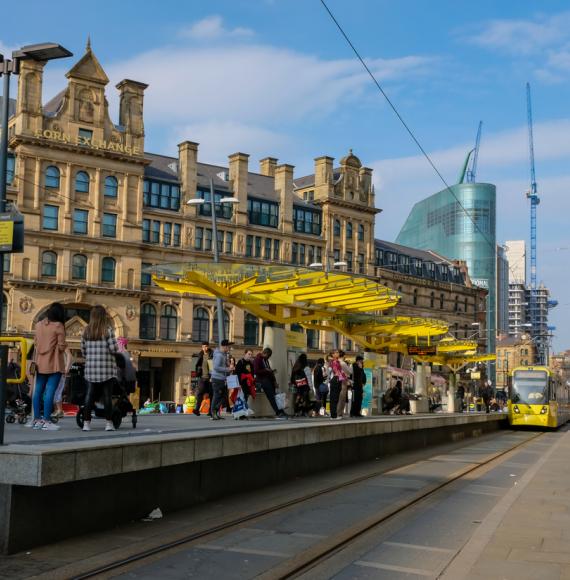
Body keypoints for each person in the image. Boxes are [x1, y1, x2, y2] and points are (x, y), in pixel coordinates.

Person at [31, 302, 70, 430]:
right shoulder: (58, 326)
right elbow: (62, 346)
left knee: (38, 391)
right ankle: (47, 420)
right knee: (50, 392)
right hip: (54, 363)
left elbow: (36, 343)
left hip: (40, 362)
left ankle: (36, 420)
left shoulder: (38, 325)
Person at [81, 305, 120, 432]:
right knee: (107, 397)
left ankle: (86, 424)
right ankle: (109, 424)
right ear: (104, 316)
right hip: (107, 370)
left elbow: (83, 351)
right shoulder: (108, 330)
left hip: (91, 370)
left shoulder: (86, 331)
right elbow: (114, 349)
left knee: (89, 397)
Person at [254, 347, 287, 419]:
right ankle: (278, 412)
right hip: (263, 380)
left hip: (269, 380)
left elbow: (269, 371)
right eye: (268, 356)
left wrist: (274, 381)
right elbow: (256, 371)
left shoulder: (265, 360)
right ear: (264, 353)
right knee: (272, 397)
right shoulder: (257, 359)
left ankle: (281, 411)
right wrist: (266, 370)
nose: (268, 358)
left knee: (276, 397)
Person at [210, 339, 234, 420]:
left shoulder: (223, 354)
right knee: (217, 396)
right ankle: (213, 412)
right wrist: (227, 369)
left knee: (223, 397)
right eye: (229, 347)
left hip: (221, 379)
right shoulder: (219, 355)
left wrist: (228, 368)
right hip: (217, 379)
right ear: (224, 346)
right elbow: (216, 367)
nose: (229, 348)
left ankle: (215, 411)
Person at [193, 342, 213, 417]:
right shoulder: (200, 354)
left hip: (210, 377)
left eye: (207, 346)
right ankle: (197, 409)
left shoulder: (211, 355)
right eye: (204, 346)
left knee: (211, 394)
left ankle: (211, 411)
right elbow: (198, 365)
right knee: (199, 393)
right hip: (202, 377)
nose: (206, 348)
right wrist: (197, 373)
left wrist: (211, 377)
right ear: (202, 347)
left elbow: (212, 367)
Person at [328, 350, 347, 420]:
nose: (338, 353)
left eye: (338, 352)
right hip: (336, 379)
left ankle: (334, 414)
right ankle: (333, 415)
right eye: (336, 353)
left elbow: (340, 372)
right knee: (334, 398)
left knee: (336, 398)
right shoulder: (334, 362)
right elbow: (337, 372)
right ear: (333, 354)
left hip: (337, 379)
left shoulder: (336, 362)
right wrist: (343, 377)